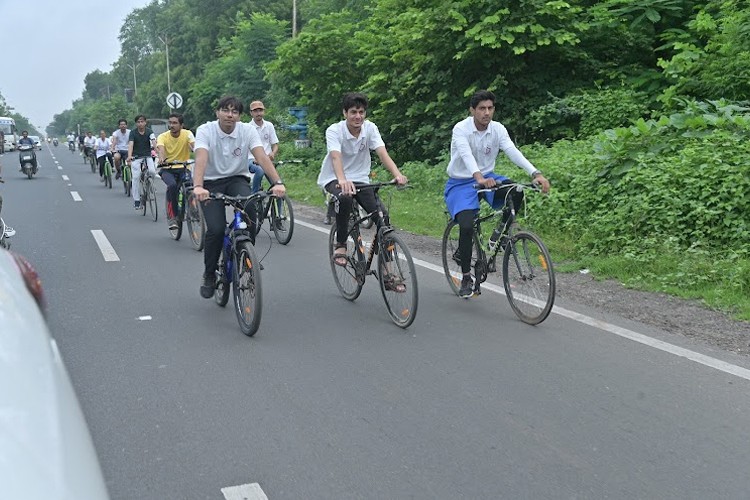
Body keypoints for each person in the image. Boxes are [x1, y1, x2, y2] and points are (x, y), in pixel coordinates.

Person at [444, 89, 551, 298]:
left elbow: (512, 151)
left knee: (516, 189)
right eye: (482, 108)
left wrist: (535, 173)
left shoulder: (498, 129)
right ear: (472, 110)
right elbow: (465, 154)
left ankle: (499, 235)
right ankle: (466, 276)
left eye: (490, 108)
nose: (486, 112)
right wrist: (478, 178)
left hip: (489, 178)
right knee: (466, 225)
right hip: (461, 182)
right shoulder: (461, 129)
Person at [192, 96, 286, 299]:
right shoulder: (205, 130)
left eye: (234, 111)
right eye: (225, 110)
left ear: (240, 116)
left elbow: (261, 156)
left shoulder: (247, 130)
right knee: (216, 230)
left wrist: (277, 182)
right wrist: (198, 186)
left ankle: (245, 253)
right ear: (217, 112)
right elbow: (201, 157)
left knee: (251, 209)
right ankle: (209, 274)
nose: (230, 115)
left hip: (237, 179)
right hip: (209, 182)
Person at [318, 92, 408, 271]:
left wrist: (398, 174)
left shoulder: (370, 129)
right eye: (353, 112)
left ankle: (387, 269)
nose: (358, 116)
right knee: (345, 198)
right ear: (345, 113)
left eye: (361, 112)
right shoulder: (335, 130)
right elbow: (336, 157)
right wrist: (342, 180)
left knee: (383, 217)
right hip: (334, 178)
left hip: (360, 180)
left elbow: (382, 153)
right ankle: (341, 244)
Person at [156, 113, 195, 230]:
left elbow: (195, 146)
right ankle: (173, 216)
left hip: (183, 168)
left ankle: (193, 209)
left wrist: (200, 154)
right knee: (172, 186)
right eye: (170, 123)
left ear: (181, 125)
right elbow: (161, 149)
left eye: (175, 123)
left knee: (190, 186)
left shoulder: (187, 134)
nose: (171, 125)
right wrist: (162, 159)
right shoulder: (163, 136)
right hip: (168, 169)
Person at [246, 100, 279, 193]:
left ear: (264, 111)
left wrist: (273, 153)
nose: (258, 113)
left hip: (267, 160)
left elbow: (275, 144)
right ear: (251, 113)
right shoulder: (248, 128)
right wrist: (256, 159)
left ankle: (280, 207)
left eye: (260, 110)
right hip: (252, 159)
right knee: (260, 171)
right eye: (255, 111)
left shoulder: (269, 125)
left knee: (279, 185)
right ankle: (254, 195)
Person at [127, 115, 157, 210]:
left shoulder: (149, 131)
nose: (140, 123)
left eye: (142, 121)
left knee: (152, 171)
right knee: (136, 177)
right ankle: (137, 200)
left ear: (145, 122)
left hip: (147, 155)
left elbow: (154, 142)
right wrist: (129, 156)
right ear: (136, 123)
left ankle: (150, 185)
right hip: (136, 156)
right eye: (138, 122)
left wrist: (158, 152)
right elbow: (131, 144)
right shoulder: (133, 133)